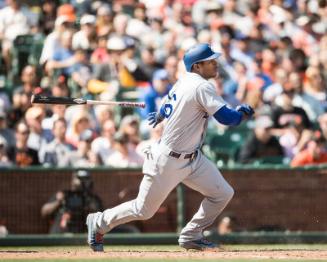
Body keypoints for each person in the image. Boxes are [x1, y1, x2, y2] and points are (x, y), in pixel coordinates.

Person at [86, 43, 254, 252]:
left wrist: (161, 114)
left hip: (193, 158)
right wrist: (241, 113)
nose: (215, 63)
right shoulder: (201, 86)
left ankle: (192, 235)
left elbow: (167, 105)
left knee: (222, 193)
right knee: (143, 210)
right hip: (168, 159)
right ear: (197, 66)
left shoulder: (184, 81)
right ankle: (100, 222)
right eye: (210, 61)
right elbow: (226, 118)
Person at [41, 170, 102, 234]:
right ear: (73, 179)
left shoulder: (91, 198)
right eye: (79, 178)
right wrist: (58, 202)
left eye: (86, 178)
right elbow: (44, 212)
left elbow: (100, 218)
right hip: (59, 234)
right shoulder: (64, 194)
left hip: (79, 237)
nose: (82, 181)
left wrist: (88, 201)